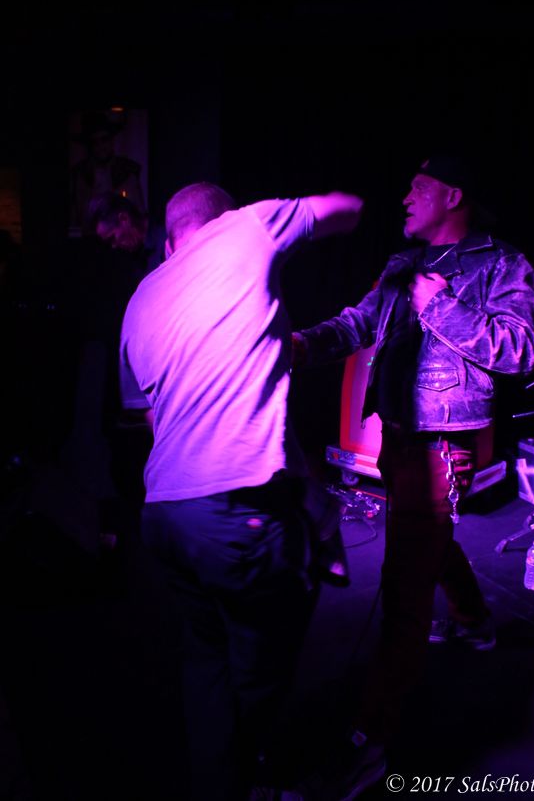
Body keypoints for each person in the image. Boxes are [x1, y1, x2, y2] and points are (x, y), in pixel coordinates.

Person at [292, 155, 534, 797]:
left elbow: (520, 349)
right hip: (400, 436)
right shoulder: (402, 264)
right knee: (424, 537)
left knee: (404, 591)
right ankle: (474, 621)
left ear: (452, 195)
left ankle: (369, 742)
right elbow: (357, 322)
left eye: (418, 186)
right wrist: (300, 345)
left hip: (444, 446)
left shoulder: (501, 264)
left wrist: (443, 307)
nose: (405, 196)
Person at [118, 182, 363, 800]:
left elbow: (152, 422)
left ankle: (219, 784)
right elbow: (346, 208)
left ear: (168, 241)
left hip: (164, 515)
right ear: (219, 219)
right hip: (232, 515)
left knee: (204, 658)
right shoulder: (244, 227)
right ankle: (263, 776)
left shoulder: (139, 300)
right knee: (262, 667)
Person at [70, 110, 145, 235]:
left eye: (104, 139)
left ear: (111, 141)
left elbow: (140, 214)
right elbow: (75, 218)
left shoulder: (127, 171)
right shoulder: (80, 174)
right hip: (89, 240)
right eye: (94, 142)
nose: (100, 146)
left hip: (122, 240)